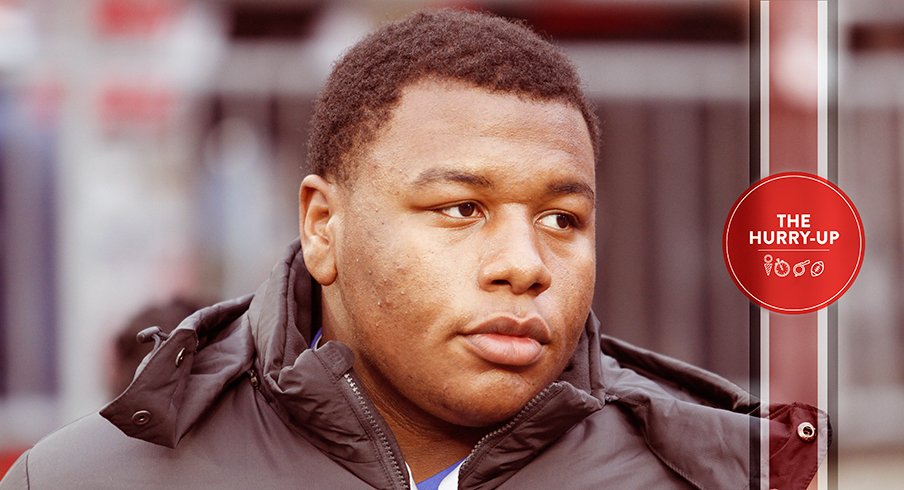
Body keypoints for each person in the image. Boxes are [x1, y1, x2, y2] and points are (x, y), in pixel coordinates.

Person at [1, 9, 827, 489]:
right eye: (462, 208)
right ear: (323, 226)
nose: (524, 263)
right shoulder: (89, 481)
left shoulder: (719, 472)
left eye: (562, 220)